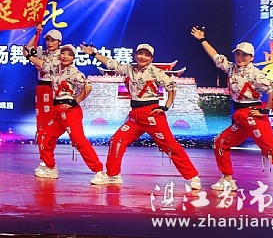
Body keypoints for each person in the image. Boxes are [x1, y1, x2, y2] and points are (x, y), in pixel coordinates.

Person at [190, 27, 273, 200]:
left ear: (251, 57)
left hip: (253, 116)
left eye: (245, 55)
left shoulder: (254, 74)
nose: (240, 57)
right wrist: (202, 39)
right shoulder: (231, 68)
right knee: (221, 143)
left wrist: (265, 110)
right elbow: (215, 56)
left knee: (271, 150)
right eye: (238, 54)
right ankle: (227, 179)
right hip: (240, 117)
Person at [79, 42, 201, 189]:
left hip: (152, 114)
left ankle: (193, 176)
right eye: (140, 53)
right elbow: (111, 63)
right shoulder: (129, 69)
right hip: (135, 116)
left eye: (147, 55)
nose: (143, 57)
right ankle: (113, 175)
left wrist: (166, 107)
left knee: (170, 146)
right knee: (117, 140)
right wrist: (93, 53)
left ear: (151, 58)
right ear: (135, 55)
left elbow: (172, 87)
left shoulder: (156, 72)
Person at [27, 44, 104, 181]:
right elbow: (41, 63)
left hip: (70, 112)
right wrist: (28, 56)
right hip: (57, 111)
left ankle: (99, 171)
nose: (65, 56)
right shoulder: (55, 68)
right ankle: (50, 167)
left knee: (78, 141)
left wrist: (75, 101)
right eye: (63, 53)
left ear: (73, 58)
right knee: (44, 135)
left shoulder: (75, 73)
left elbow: (88, 87)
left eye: (69, 54)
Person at [23, 25, 62, 173]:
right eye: (48, 40)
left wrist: (32, 58)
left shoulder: (62, 55)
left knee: (49, 127)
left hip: (53, 90)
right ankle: (45, 160)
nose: (50, 43)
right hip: (41, 89)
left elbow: (45, 66)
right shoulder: (42, 53)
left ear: (59, 42)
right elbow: (27, 50)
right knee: (41, 125)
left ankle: (50, 162)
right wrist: (37, 33)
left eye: (53, 40)